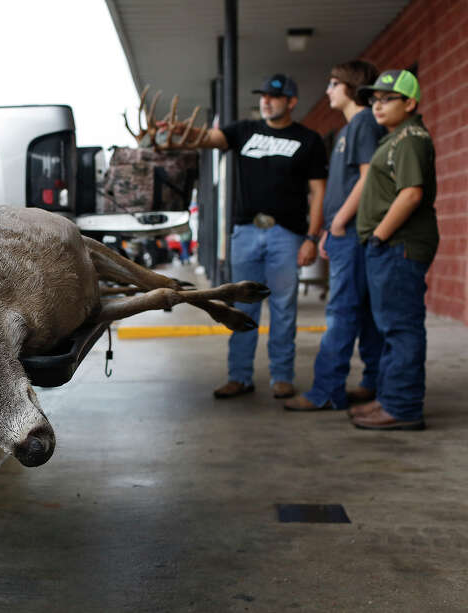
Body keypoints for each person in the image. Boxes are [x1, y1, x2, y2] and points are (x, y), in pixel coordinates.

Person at [159, 74, 328, 399]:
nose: (266, 101)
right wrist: (185, 131)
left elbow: (318, 191)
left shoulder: (308, 140)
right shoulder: (243, 130)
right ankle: (239, 376)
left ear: (291, 102)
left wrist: (311, 237)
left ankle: (282, 376)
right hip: (246, 232)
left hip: (287, 234)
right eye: (263, 95)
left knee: (283, 306)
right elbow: (209, 137)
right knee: (242, 306)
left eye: (274, 97)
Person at [284, 60, 385, 412]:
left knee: (342, 312)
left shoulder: (364, 123)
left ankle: (327, 390)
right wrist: (330, 229)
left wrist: (339, 222)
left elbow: (369, 177)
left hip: (354, 233)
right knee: (364, 311)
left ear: (350, 86)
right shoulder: (351, 128)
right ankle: (375, 383)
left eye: (333, 84)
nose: (327, 90)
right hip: (344, 233)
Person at [348, 69, 437, 430]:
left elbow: (411, 193)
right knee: (390, 327)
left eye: (388, 98)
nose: (378, 105)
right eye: (374, 99)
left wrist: (380, 235)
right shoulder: (395, 137)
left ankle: (402, 408)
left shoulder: (410, 138)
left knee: (401, 328)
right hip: (388, 247)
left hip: (397, 246)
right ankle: (389, 399)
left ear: (410, 103)